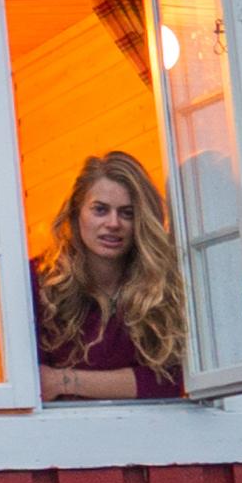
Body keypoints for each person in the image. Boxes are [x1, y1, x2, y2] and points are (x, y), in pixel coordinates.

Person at [33, 151, 189, 402]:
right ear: (76, 213)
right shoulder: (41, 281)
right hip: (61, 434)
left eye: (127, 213)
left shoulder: (160, 284)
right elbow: (31, 380)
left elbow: (170, 381)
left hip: (145, 431)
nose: (114, 223)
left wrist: (62, 381)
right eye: (100, 210)